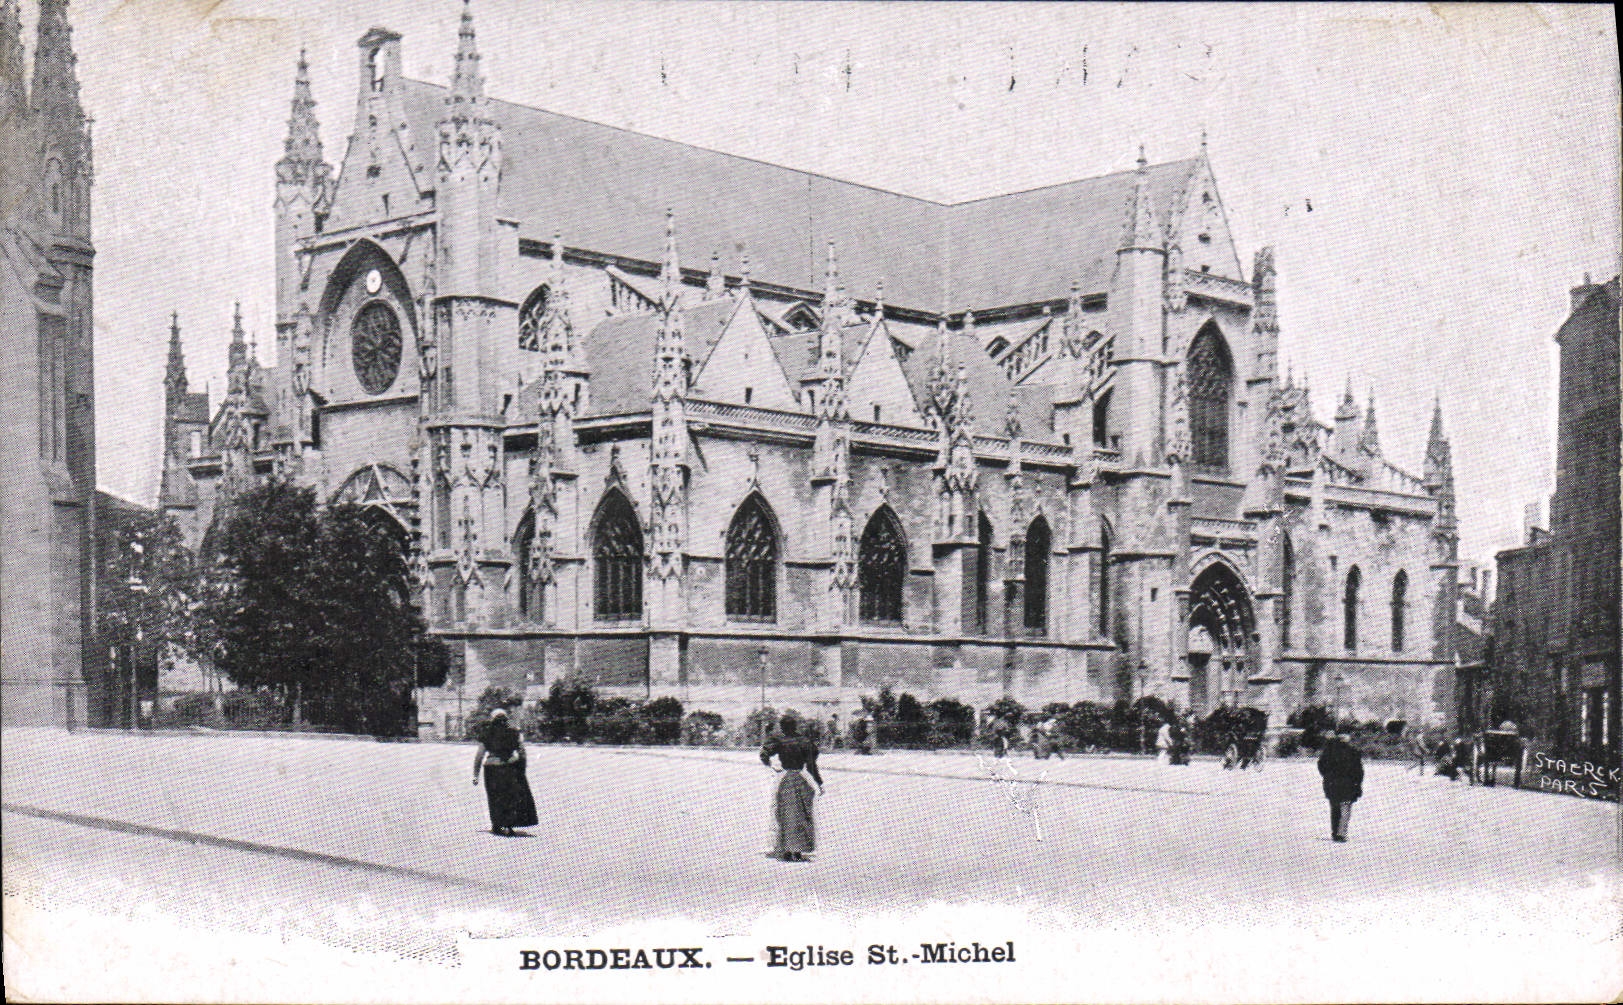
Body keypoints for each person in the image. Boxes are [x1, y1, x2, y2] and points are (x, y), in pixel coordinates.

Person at [760, 715, 825, 861]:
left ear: (782, 727)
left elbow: (764, 753)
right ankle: (798, 850)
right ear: (795, 726)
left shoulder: (779, 740)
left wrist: (770, 765)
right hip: (801, 779)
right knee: (802, 814)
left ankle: (786, 849)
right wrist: (819, 783)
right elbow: (812, 765)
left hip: (785, 778)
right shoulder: (804, 741)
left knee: (783, 814)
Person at [471, 708, 539, 837]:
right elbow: (522, 753)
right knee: (509, 797)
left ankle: (497, 825)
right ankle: (509, 825)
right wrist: (521, 769)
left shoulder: (487, 734)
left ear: (492, 720)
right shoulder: (514, 733)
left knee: (495, 797)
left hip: (492, 769)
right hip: (509, 767)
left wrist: (475, 775)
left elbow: (479, 755)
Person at [1317, 731, 1365, 843]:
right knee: (1345, 808)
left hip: (1332, 784)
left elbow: (1321, 766)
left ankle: (1335, 832)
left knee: (1335, 808)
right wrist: (1357, 784)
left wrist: (1327, 776)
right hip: (1348, 784)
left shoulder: (1329, 752)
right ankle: (1342, 833)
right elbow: (1359, 772)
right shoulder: (1353, 752)